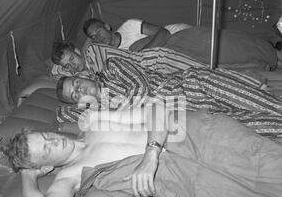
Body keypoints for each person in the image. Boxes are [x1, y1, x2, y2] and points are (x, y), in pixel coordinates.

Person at [0, 108, 282, 197]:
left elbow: (157, 109)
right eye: (47, 150)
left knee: (272, 164)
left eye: (47, 136)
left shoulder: (97, 124)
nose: (55, 140)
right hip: (190, 177)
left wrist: (151, 156)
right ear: (45, 166)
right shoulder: (70, 177)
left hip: (197, 136)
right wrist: (28, 175)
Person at [55, 57, 282, 138]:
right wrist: (75, 108)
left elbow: (140, 86)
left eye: (77, 84)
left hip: (189, 87)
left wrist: (117, 112)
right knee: (254, 125)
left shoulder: (111, 68)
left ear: (83, 76)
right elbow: (64, 114)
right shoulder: (96, 108)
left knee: (261, 104)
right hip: (189, 115)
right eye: (75, 95)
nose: (81, 91)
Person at [83, 18, 192, 50]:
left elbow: (164, 32)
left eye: (98, 31)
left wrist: (141, 55)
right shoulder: (112, 55)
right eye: (94, 37)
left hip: (178, 33)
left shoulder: (129, 26)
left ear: (107, 27)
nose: (98, 37)